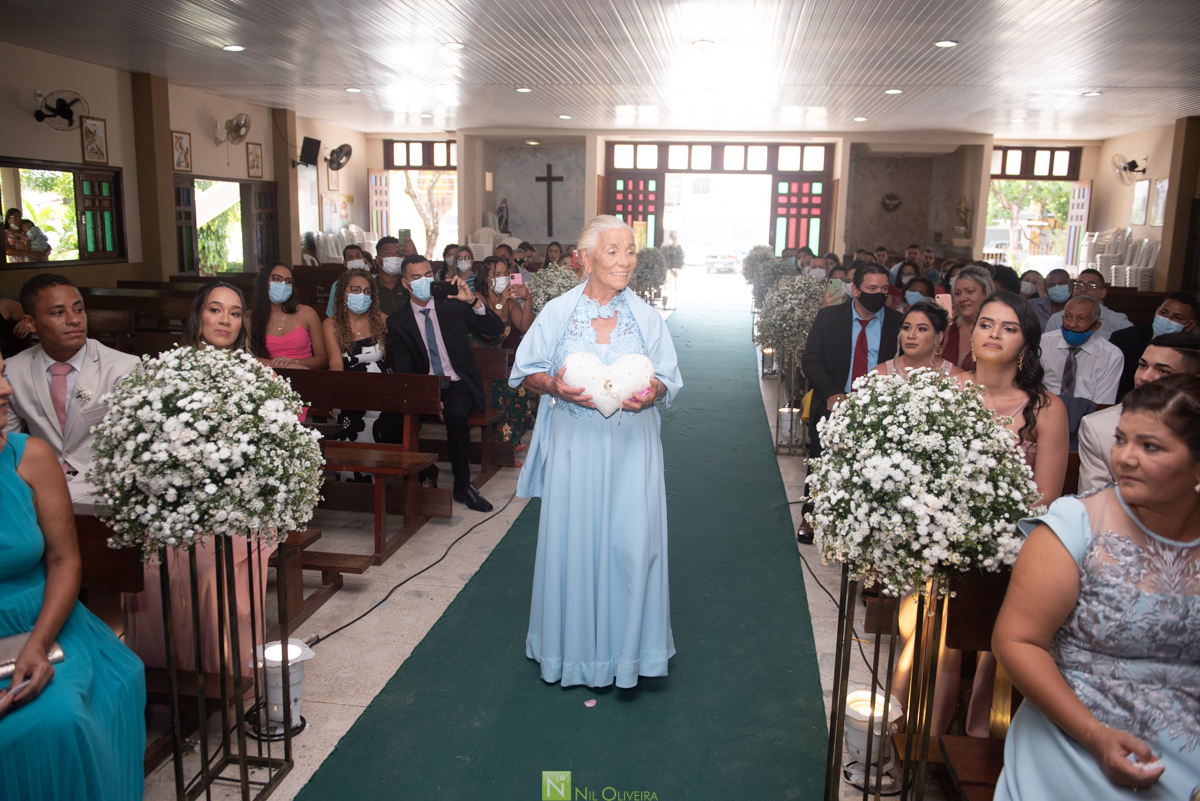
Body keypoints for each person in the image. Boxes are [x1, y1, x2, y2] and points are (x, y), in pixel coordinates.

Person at [992, 373, 1200, 800]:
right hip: (1074, 738)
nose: (1124, 457)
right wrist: (1095, 735)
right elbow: (1016, 640)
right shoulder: (1076, 525)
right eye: (1122, 439)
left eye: (1151, 447)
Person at [511, 214, 682, 688]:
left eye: (630, 250)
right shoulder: (557, 314)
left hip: (633, 450)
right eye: (613, 250)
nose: (626, 260)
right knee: (576, 542)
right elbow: (526, 373)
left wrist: (653, 392)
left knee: (634, 545)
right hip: (576, 449)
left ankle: (633, 655)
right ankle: (576, 655)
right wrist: (555, 386)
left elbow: (668, 373)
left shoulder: (646, 316)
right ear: (584, 259)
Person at [0, 354, 146, 801]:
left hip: (41, 620)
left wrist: (36, 646)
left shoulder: (30, 457)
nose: (6, 391)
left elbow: (65, 561)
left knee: (58, 720)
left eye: (2, 374)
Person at [123, 282, 268, 675]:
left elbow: (267, 450)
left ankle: (224, 668)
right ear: (198, 315)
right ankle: (162, 672)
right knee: (153, 568)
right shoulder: (170, 369)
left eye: (235, 313)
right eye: (215, 310)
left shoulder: (255, 373)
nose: (225, 320)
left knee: (212, 570)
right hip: (178, 499)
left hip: (237, 502)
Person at [2, 274, 139, 504]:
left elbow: (131, 448)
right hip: (37, 487)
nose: (74, 320)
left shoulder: (122, 368)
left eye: (78, 310)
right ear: (30, 323)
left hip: (102, 488)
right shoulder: (13, 371)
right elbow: (9, 446)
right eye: (58, 313)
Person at [388, 255, 506, 511]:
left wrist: (472, 300)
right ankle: (425, 472)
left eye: (427, 274)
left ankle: (463, 486)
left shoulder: (452, 305)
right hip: (424, 384)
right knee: (390, 420)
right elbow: (406, 370)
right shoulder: (398, 321)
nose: (423, 281)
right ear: (405, 284)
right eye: (416, 277)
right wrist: (429, 397)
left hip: (457, 382)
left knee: (455, 414)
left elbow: (496, 329)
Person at [801, 263, 902, 457]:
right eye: (871, 289)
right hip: (834, 403)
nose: (878, 294)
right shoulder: (829, 317)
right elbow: (811, 360)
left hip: (880, 410)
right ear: (855, 290)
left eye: (883, 290)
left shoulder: (897, 323)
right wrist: (833, 392)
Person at [1077, 332, 1200, 491]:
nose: (1145, 377)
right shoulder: (1099, 427)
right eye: (1143, 366)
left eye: (1163, 371)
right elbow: (1094, 504)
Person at [320, 268, 404, 459]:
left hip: (382, 387)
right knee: (351, 418)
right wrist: (337, 398)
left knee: (391, 419)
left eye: (367, 292)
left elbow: (407, 340)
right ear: (343, 293)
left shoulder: (380, 320)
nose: (362, 295)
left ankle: (387, 471)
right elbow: (335, 364)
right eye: (356, 290)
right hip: (350, 386)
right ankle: (357, 480)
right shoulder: (331, 324)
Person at [1108, 291, 1198, 400]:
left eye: (1177, 317)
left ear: (1191, 324)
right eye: (1163, 313)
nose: (1167, 319)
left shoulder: (1193, 350)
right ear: (1156, 311)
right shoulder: (1124, 338)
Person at [1041, 296, 1123, 404]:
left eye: (1081, 319)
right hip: (1044, 410)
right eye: (1068, 317)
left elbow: (1102, 405)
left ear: (1096, 326)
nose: (1072, 324)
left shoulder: (1112, 356)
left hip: (1086, 416)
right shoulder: (1042, 343)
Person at [250, 262, 328, 369]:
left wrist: (295, 363)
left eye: (288, 282)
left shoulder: (307, 313)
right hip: (268, 378)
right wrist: (280, 365)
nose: (283, 285)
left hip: (304, 374)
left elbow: (323, 359)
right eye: (277, 279)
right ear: (264, 282)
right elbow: (246, 357)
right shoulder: (250, 317)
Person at [872, 300, 963, 379]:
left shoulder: (956, 378)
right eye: (907, 328)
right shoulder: (880, 375)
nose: (911, 335)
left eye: (922, 329)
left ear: (939, 337)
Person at [1045, 269, 1132, 340]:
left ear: (1103, 292)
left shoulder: (1118, 322)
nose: (1083, 289)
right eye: (1079, 284)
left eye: (1091, 285)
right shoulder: (1056, 319)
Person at [942, 265, 995, 371]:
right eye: (957, 294)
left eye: (970, 291)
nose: (962, 298)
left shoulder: (997, 332)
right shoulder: (950, 328)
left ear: (986, 294)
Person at [325, 243, 378, 316]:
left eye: (358, 256)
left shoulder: (376, 280)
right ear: (345, 263)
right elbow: (332, 312)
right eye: (350, 257)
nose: (355, 259)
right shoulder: (337, 284)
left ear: (363, 259)